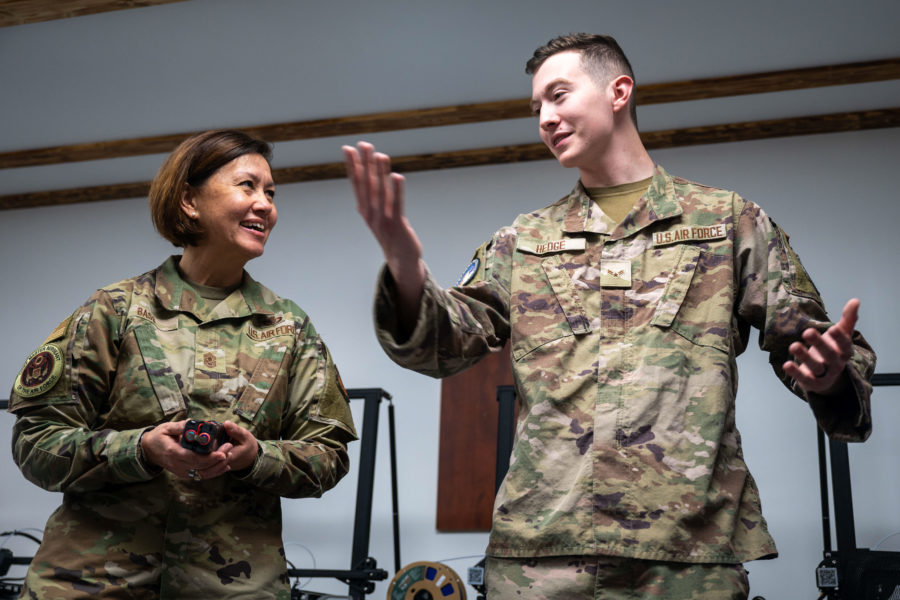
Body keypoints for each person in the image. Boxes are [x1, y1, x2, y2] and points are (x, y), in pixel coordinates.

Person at [343, 34, 875, 599]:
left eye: (558, 95)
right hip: (541, 559)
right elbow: (443, 346)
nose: (545, 118)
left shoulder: (727, 221)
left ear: (618, 92)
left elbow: (810, 342)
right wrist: (405, 267)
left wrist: (829, 376)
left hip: (686, 556)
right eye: (536, 107)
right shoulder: (523, 240)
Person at [8, 129, 357, 599]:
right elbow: (36, 443)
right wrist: (140, 449)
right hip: (92, 585)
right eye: (247, 186)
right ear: (189, 201)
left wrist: (256, 457)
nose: (265, 205)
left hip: (231, 588)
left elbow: (328, 456)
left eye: (271, 193)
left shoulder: (288, 327)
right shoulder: (115, 310)